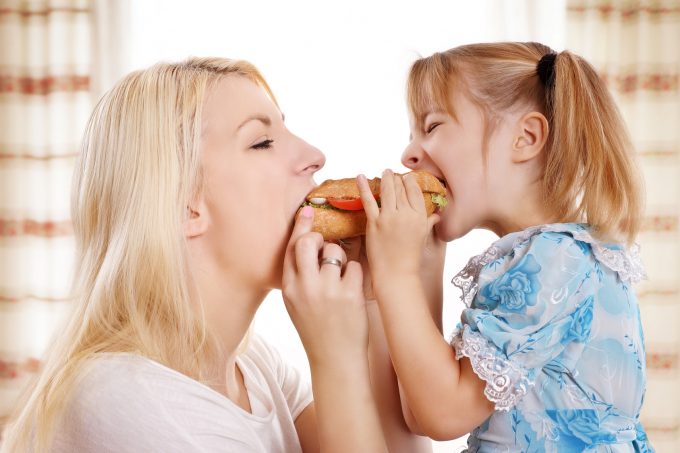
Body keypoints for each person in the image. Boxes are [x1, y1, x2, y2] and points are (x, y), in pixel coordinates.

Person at [0, 57, 396, 453]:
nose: (315, 155)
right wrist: (336, 358)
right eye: (262, 142)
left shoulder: (254, 368)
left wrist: (382, 291)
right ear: (185, 206)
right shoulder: (133, 401)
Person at [356, 42, 654, 452]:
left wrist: (396, 273)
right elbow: (420, 412)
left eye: (433, 126)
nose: (409, 153)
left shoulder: (553, 262)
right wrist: (421, 264)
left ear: (525, 138)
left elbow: (442, 414)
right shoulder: (550, 256)